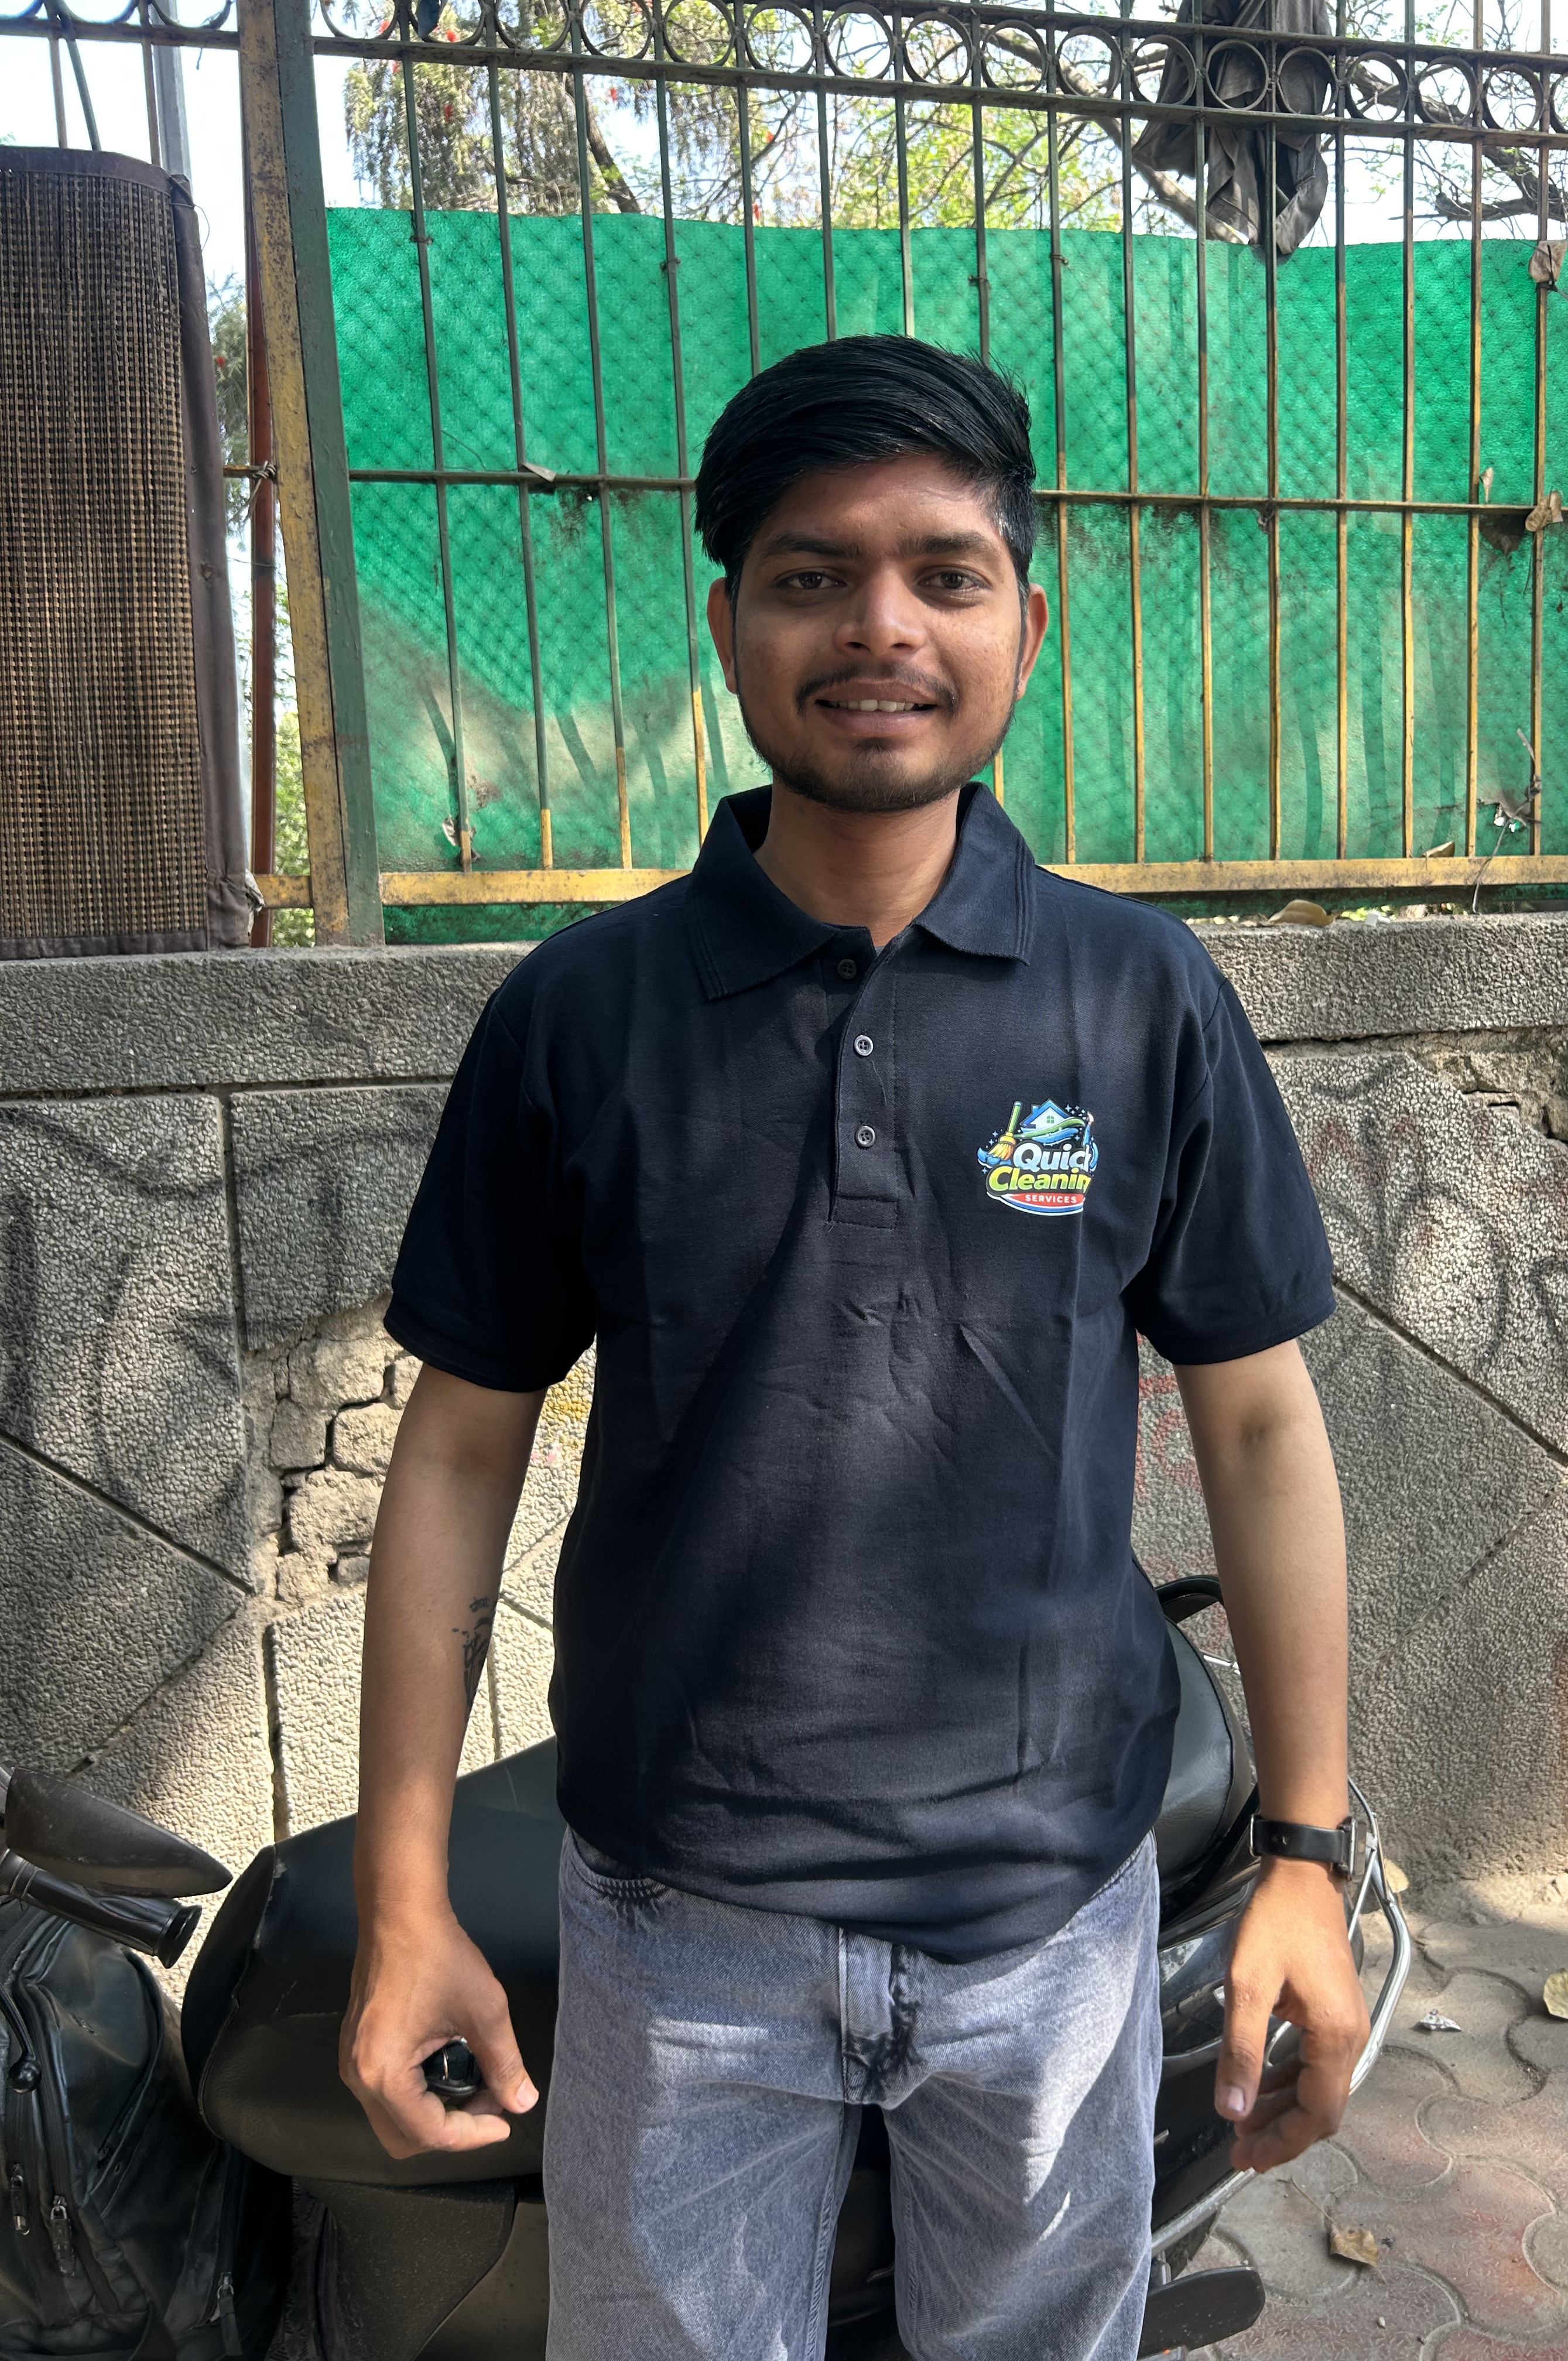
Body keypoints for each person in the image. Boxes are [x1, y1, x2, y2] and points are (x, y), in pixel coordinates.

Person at [342, 334, 1368, 2361]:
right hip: (678, 1921)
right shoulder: (580, 1018)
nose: (881, 627)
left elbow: (1258, 1427)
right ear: (730, 623)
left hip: (1050, 1919)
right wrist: (403, 1895)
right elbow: (457, 1453)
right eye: (812, 575)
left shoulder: (1141, 998)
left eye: (944, 574)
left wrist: (1309, 1859)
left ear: (1026, 625)